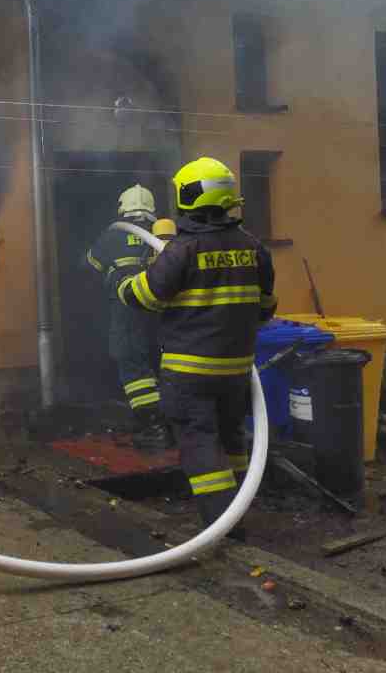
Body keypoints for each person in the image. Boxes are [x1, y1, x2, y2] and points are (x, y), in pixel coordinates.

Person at [117, 157, 277, 537]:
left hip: (189, 374)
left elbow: (145, 297)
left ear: (188, 196)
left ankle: (222, 527)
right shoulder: (254, 249)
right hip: (235, 372)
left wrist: (123, 281)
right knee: (231, 440)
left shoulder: (182, 250)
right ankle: (238, 510)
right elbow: (265, 308)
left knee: (199, 444)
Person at [87, 183, 173, 450]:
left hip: (128, 311)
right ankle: (170, 420)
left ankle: (153, 425)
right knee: (160, 362)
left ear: (122, 208)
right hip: (162, 312)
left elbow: (89, 267)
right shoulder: (160, 235)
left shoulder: (112, 235)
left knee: (132, 363)